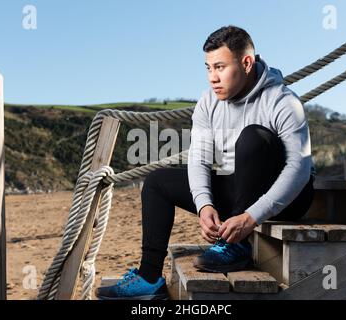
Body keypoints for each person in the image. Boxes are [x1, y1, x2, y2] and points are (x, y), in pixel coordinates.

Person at [96, 25, 315, 300]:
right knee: (156, 182)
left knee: (253, 137)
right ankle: (149, 277)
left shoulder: (282, 101)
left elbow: (299, 169)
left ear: (246, 63)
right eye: (208, 68)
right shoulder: (208, 102)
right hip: (241, 188)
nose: (213, 77)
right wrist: (204, 205)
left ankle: (237, 246)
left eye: (220, 67)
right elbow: (198, 158)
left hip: (289, 197)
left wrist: (250, 218)